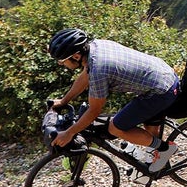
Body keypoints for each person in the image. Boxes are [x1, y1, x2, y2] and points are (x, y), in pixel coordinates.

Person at [48, 28, 180, 172]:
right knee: (147, 128)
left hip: (161, 90)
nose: (61, 64)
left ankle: (165, 149)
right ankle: (156, 159)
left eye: (62, 60)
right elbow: (84, 78)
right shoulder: (96, 46)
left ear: (76, 56)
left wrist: (69, 132)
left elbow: (94, 110)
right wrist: (63, 101)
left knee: (115, 128)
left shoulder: (99, 69)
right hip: (164, 75)